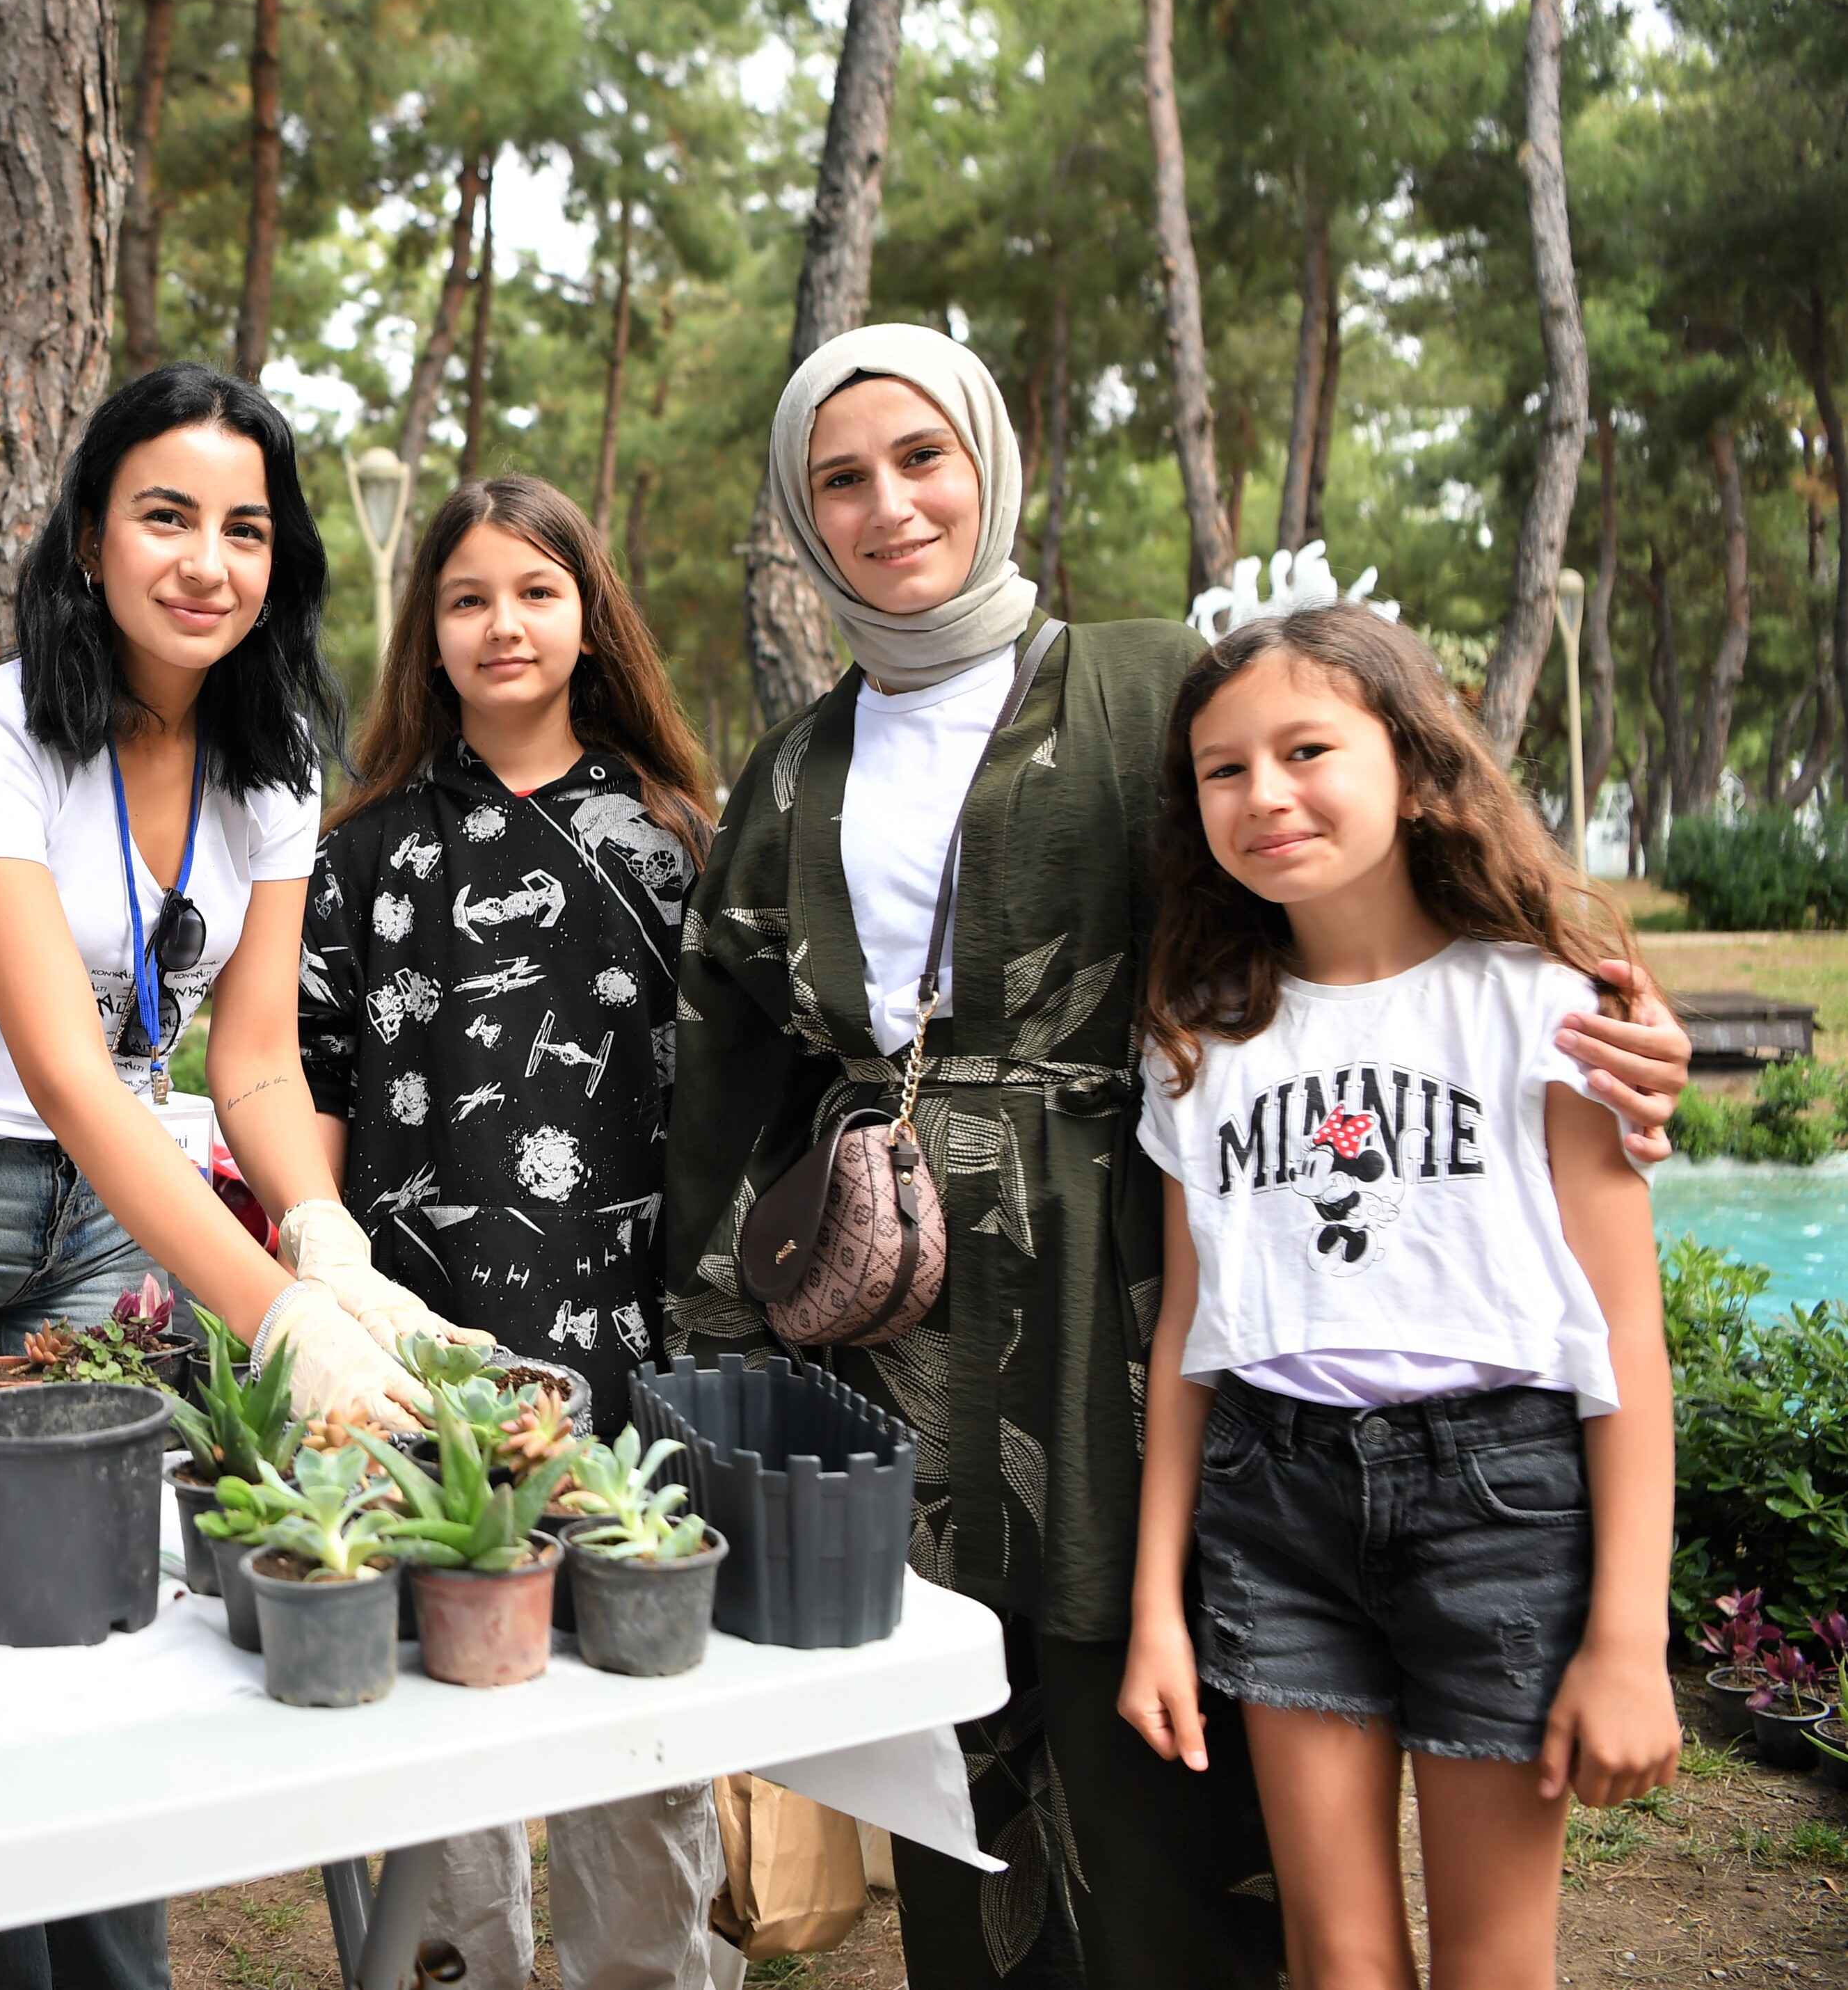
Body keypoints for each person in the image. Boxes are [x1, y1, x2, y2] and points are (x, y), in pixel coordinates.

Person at [662, 324, 1694, 1988]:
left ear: (990, 462)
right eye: (837, 478)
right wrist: (711, 1339)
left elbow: (1352, 844)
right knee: (951, 1707)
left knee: (1174, 1738)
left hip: (1153, 1247)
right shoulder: (787, 770)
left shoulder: (1150, 684)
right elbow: (727, 1068)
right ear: (800, 512)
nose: (887, 504)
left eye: (920, 455)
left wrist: (1599, 1012)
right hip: (905, 1317)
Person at [0, 363, 437, 1990]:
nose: (205, 561)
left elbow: (255, 1063)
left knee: (98, 1620)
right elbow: (70, 1077)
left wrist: (319, 1224)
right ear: (89, 536)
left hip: (113, 1212)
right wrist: (280, 1313)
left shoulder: (274, 763)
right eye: (165, 516)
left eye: (244, 528)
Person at [1117, 605, 1678, 1989]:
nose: (1265, 793)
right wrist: (1153, 1605)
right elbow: (1190, 1331)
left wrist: (1625, 1635)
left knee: (1492, 1962)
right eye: (1221, 769)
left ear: (1416, 765)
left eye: (1307, 747)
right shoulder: (1196, 1029)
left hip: (1496, 1502)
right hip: (1271, 1506)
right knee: (1340, 1957)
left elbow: (1620, 1335)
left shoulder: (1544, 1004)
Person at [250, 476, 733, 1990]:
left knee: (630, 1717)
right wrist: (318, 1292)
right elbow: (312, 1083)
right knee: (434, 1713)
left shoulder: (673, 840)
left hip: (630, 1348)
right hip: (421, 1345)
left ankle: (643, 1968)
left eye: (533, 589)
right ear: (430, 636)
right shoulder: (363, 854)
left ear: (588, 614)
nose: (501, 622)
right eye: (466, 598)